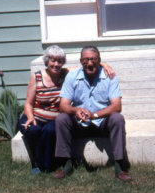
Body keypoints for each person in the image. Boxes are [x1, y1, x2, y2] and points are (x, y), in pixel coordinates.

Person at [18, 45, 115, 175]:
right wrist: (30, 117)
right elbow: (28, 103)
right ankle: (36, 164)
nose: (56, 64)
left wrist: (104, 64)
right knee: (33, 130)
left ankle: (47, 165)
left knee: (50, 130)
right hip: (34, 115)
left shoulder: (66, 73)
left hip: (53, 119)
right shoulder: (36, 77)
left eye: (59, 61)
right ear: (47, 61)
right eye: (53, 60)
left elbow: (87, 65)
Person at [53, 45, 131, 182]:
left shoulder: (110, 76)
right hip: (79, 123)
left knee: (117, 118)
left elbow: (117, 106)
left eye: (93, 59)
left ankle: (120, 166)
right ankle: (66, 163)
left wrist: (95, 115)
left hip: (101, 123)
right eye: (86, 59)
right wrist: (76, 110)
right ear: (80, 61)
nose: (89, 63)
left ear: (99, 60)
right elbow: (63, 105)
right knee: (61, 118)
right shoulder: (72, 76)